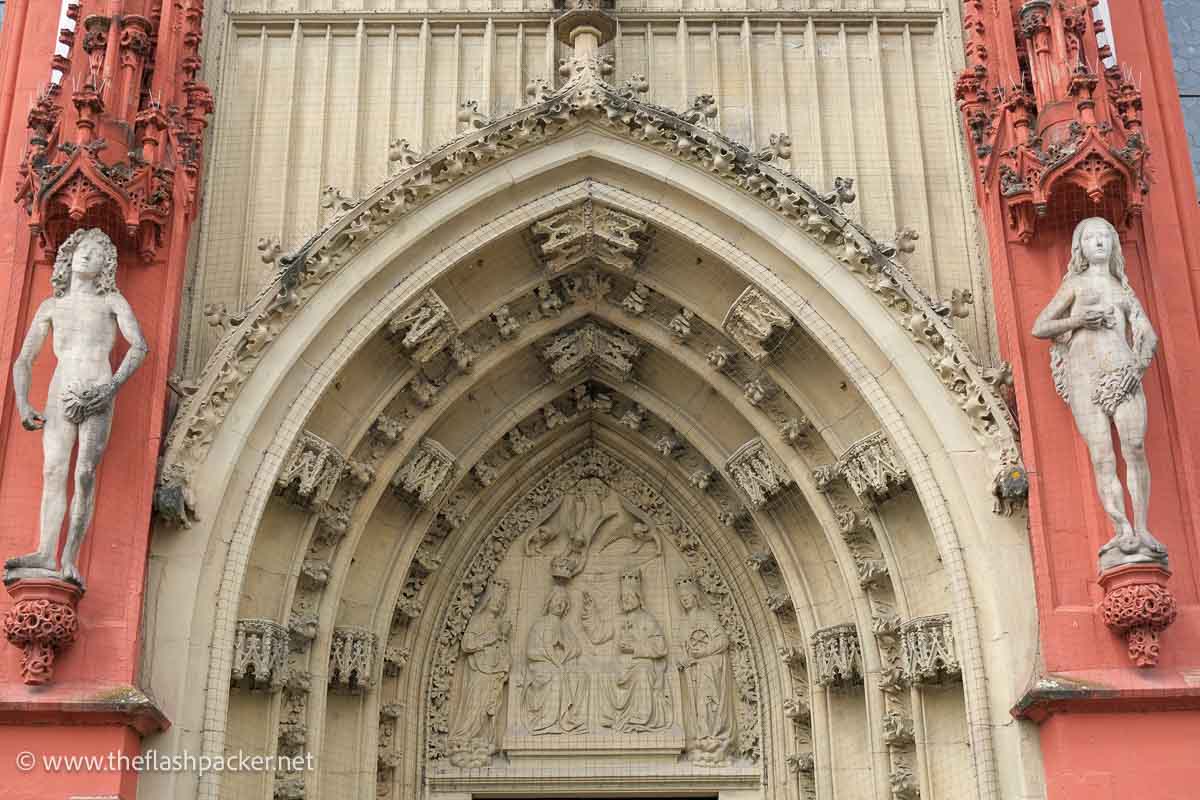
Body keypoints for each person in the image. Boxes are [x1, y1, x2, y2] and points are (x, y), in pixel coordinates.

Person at [6, 229, 147, 589]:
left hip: (98, 387)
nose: (87, 256)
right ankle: (44, 550)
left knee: (84, 474)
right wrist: (23, 402)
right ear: (69, 257)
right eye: (82, 250)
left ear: (106, 265)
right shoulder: (52, 306)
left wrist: (110, 389)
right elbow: (23, 360)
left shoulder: (112, 302)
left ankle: (69, 556)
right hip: (61, 388)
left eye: (97, 253)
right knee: (53, 471)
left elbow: (139, 347)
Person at [1032, 217, 1165, 569]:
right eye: (1091, 237)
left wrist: (1136, 368)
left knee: (1134, 446)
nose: (1099, 242)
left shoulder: (1123, 289)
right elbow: (1040, 327)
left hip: (1122, 373)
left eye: (1105, 236)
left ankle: (1142, 527)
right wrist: (1079, 321)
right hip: (1084, 376)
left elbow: (1147, 334)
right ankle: (1121, 528)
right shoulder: (1074, 285)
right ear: (1080, 247)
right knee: (1103, 457)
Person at [586, 568, 672, 732]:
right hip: (620, 667)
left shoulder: (647, 619)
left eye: (629, 596)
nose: (625, 600)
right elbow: (598, 634)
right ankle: (609, 719)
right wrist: (589, 612)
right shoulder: (618, 619)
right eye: (623, 597)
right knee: (603, 673)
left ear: (638, 598)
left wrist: (635, 648)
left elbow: (660, 647)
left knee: (642, 672)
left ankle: (640, 718)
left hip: (640, 664)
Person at [448, 579, 512, 766]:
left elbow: (503, 649)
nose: (498, 604)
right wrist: (488, 639)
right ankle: (464, 736)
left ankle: (483, 739)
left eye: (501, 602)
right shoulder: (479, 620)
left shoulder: (499, 624)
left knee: (487, 708)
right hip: (480, 671)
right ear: (488, 600)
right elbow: (467, 644)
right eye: (495, 600)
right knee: (475, 704)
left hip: (492, 673)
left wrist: (502, 642)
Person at [676, 576, 735, 765]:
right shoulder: (683, 622)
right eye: (681, 597)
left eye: (687, 596)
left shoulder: (706, 617)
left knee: (706, 703)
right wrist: (683, 660)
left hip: (709, 670)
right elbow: (682, 648)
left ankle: (711, 737)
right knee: (695, 706)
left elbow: (722, 641)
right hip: (692, 672)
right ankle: (699, 739)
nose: (684, 600)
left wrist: (703, 653)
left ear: (695, 596)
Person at [523, 584, 588, 734]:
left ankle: (570, 718)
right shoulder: (540, 624)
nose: (560, 604)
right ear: (549, 602)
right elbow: (531, 653)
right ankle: (547, 722)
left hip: (560, 666)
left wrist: (565, 652)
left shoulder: (564, 627)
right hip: (542, 668)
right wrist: (551, 659)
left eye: (564, 602)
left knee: (581, 676)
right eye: (557, 600)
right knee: (556, 675)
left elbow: (576, 648)